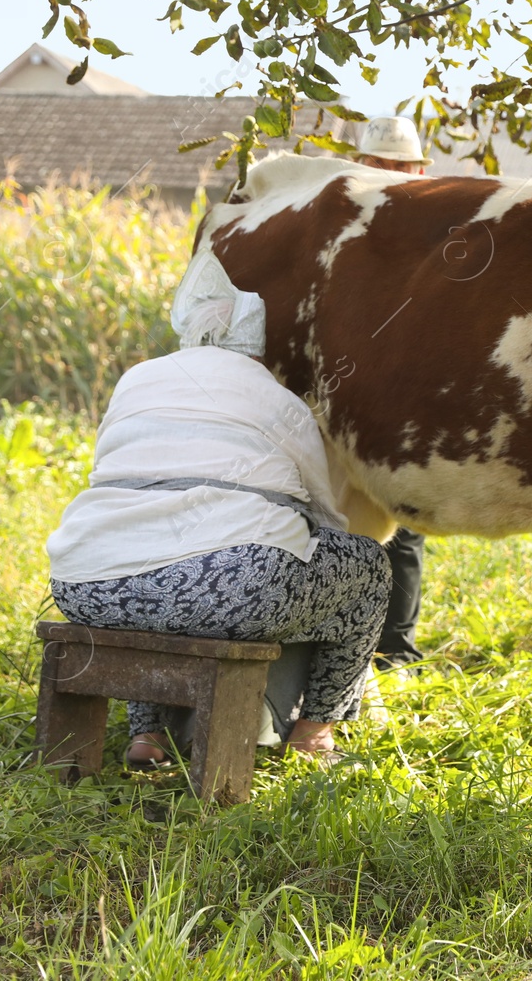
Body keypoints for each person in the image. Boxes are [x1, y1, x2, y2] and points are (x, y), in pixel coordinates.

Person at [45, 251, 392, 767]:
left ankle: (150, 737)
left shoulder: (136, 380)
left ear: (190, 335)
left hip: (85, 582)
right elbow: (322, 512)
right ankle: (314, 735)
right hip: (233, 587)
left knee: (155, 574)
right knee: (368, 569)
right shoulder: (278, 399)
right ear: (254, 348)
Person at [352, 115, 432, 670]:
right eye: (374, 167)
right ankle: (343, 647)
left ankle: (395, 651)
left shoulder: (440, 229)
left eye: (395, 168)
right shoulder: (344, 230)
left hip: (409, 389)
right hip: (349, 389)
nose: (384, 177)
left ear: (418, 171)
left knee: (403, 526)